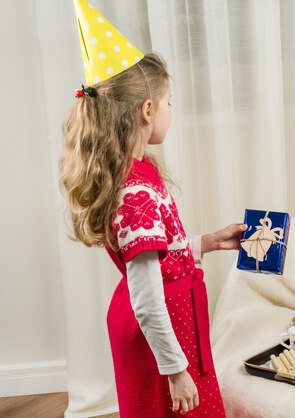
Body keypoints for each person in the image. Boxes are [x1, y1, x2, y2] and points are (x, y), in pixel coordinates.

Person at [59, 50, 245, 417]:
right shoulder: (135, 192)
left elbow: (158, 257)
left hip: (168, 323)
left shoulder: (139, 171)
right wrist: (175, 371)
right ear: (147, 110)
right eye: (167, 102)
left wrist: (205, 243)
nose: (169, 110)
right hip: (160, 330)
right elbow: (146, 298)